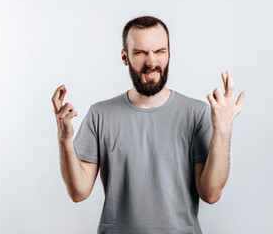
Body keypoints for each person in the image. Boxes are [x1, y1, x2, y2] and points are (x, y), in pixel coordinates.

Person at [52, 15, 246, 234]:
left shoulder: (197, 113)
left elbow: (211, 194)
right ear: (125, 57)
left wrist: (223, 129)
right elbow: (78, 192)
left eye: (160, 51)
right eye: (140, 52)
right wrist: (64, 139)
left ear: (169, 55)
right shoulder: (100, 114)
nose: (152, 62)